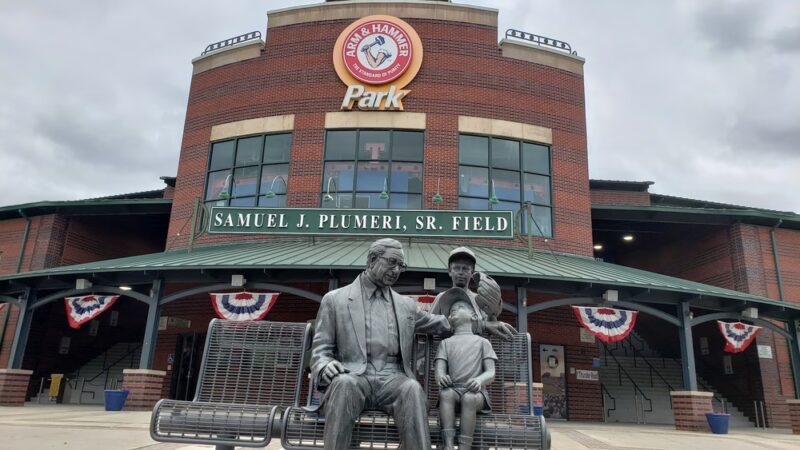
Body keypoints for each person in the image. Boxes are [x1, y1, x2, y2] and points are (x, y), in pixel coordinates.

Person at [309, 238, 514, 450]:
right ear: (372, 260)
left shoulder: (405, 305)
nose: (397, 270)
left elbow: (440, 323)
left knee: (413, 389)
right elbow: (320, 351)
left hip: (393, 379)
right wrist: (324, 364)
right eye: (392, 262)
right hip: (354, 376)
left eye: (401, 265)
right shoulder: (335, 300)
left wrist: (483, 324)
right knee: (343, 385)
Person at [435, 289, 497, 450]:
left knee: (469, 399)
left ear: (474, 316)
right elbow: (439, 371)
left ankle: (464, 447)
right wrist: (441, 378)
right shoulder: (445, 344)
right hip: (454, 391)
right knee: (445, 393)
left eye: (460, 307)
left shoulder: (482, 342)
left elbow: (490, 372)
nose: (453, 311)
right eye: (450, 311)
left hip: (476, 394)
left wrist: (479, 380)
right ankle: (448, 445)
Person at [430, 246, 505, 333]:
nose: (461, 272)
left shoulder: (479, 300)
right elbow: (430, 324)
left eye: (465, 268)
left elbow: (491, 329)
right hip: (447, 345)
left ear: (472, 272)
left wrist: (492, 314)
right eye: (456, 268)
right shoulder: (441, 297)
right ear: (450, 271)